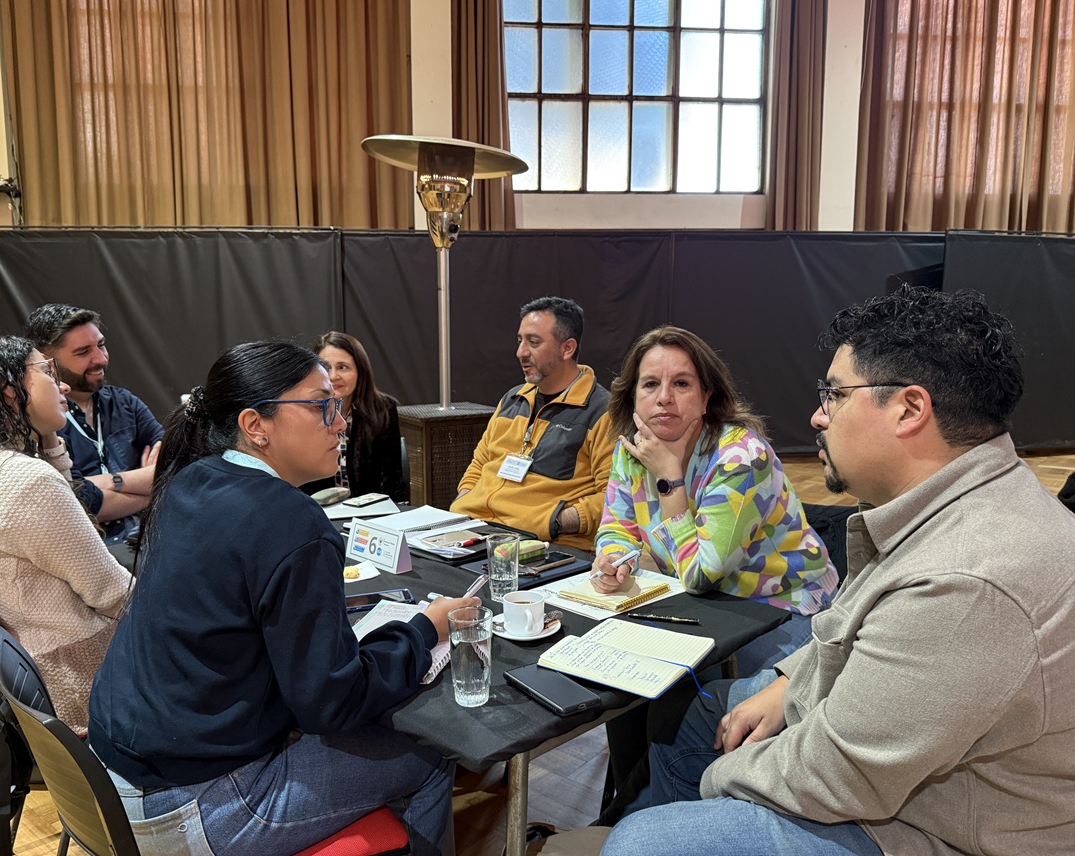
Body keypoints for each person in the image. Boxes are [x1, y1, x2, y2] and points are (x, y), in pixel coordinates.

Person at [601, 286, 1075, 856]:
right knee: (693, 713)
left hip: (929, 826)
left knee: (642, 840)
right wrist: (789, 683)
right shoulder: (945, 504)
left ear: (910, 409)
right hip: (863, 736)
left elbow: (840, 774)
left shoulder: (967, 583)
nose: (817, 415)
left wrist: (715, 783)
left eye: (834, 394)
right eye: (650, 385)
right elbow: (849, 629)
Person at [88, 340, 477, 856]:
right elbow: (333, 702)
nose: (340, 422)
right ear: (256, 425)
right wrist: (424, 630)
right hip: (191, 804)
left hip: (109, 782)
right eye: (321, 407)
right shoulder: (290, 521)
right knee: (431, 755)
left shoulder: (190, 480)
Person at [592, 325, 837, 672]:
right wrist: (615, 559)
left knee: (676, 684)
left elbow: (699, 576)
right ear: (632, 395)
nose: (664, 397)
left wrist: (669, 479)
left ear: (706, 397)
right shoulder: (633, 449)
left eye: (681, 384)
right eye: (650, 384)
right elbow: (617, 526)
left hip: (784, 609)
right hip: (708, 607)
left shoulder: (740, 458)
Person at [0, 337, 132, 731]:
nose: (63, 386)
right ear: (9, 390)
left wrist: (49, 439)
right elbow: (114, 596)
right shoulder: (23, 480)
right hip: (85, 684)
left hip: (28, 688)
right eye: (48, 372)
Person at [452, 296, 616, 550]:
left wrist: (556, 522)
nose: (521, 352)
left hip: (545, 545)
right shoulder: (512, 399)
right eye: (520, 341)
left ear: (567, 348)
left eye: (533, 342)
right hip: (474, 531)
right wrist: (465, 501)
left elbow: (614, 497)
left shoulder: (602, 412)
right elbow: (480, 463)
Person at [24, 303, 163, 543]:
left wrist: (106, 484)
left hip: (148, 538)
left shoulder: (125, 403)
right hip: (88, 546)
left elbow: (176, 467)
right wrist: (149, 486)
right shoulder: (43, 421)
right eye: (83, 352)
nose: (100, 358)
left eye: (101, 345)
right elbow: (78, 501)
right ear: (47, 361)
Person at [302, 331, 406, 501]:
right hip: (318, 509)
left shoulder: (383, 409)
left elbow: (391, 478)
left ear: (360, 371)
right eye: (326, 368)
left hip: (370, 509)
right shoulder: (304, 410)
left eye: (342, 367)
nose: (333, 376)